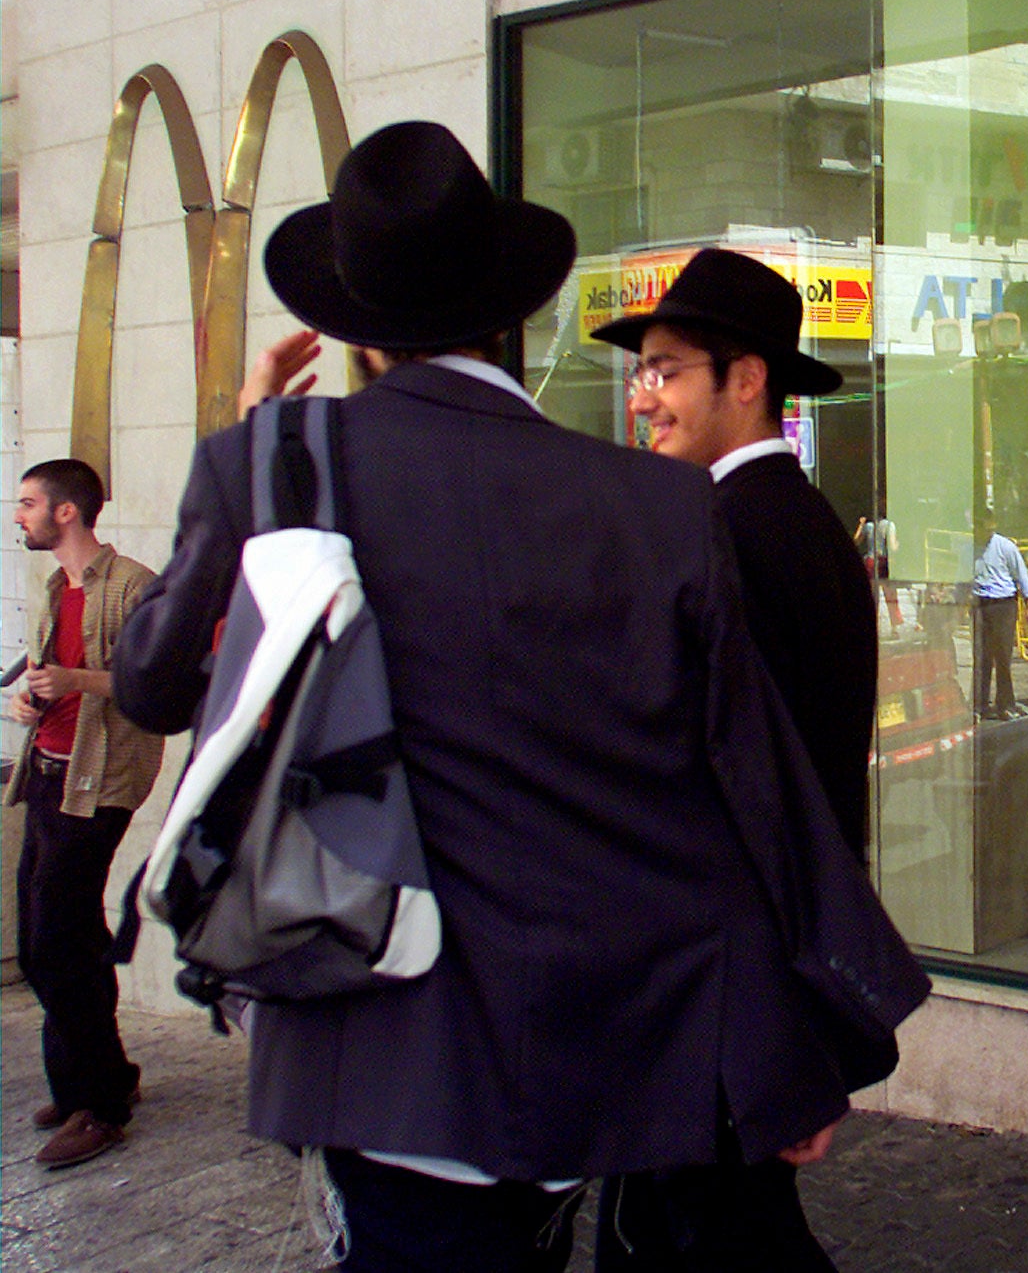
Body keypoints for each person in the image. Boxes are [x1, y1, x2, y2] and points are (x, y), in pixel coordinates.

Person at [112, 121, 926, 1272]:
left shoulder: (277, 460)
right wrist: (798, 1045)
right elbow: (751, 794)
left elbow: (148, 686)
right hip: (603, 1041)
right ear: (512, 316)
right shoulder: (657, 507)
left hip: (377, 1040)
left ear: (354, 326)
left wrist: (246, 455)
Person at [596, 247, 876, 863]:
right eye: (639, 376)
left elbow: (728, 777)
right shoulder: (805, 518)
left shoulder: (725, 533)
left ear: (747, 381)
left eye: (665, 374)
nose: (642, 402)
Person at [6, 459, 165, 1169]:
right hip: (46, 772)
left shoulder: (134, 587)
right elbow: (49, 668)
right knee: (61, 932)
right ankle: (104, 1080)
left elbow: (158, 687)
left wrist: (75, 680)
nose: (20, 516)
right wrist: (32, 699)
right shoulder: (52, 587)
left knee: (50, 942)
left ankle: (94, 1104)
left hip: (99, 783)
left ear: (67, 512)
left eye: (29, 503)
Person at [971, 518, 1028, 720]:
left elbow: (1022, 576)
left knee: (1002, 656)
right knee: (981, 656)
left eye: (991, 528)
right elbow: (962, 576)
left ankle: (1005, 704)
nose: (988, 532)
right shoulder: (969, 548)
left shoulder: (1005, 547)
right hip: (980, 604)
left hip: (1003, 604)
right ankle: (979, 705)